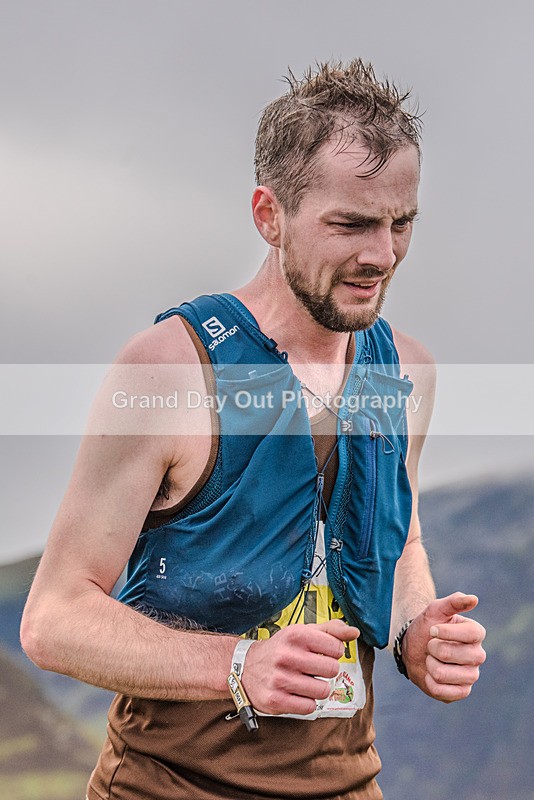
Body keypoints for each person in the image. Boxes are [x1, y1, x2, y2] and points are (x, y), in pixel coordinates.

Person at [21, 59, 486, 800]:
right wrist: (237, 665)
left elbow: (400, 543)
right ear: (269, 215)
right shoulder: (170, 370)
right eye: (352, 224)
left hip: (350, 785)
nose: (383, 254)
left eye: (402, 223)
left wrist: (412, 633)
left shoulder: (406, 373)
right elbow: (53, 618)